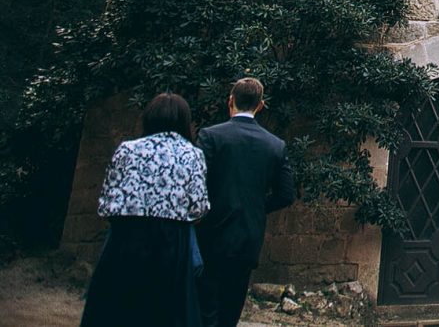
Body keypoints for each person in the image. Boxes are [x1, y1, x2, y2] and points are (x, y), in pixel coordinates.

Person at [80, 92, 210, 327]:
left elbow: (107, 202)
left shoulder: (127, 149)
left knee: (119, 309)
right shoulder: (193, 154)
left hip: (126, 238)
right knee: (165, 313)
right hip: (171, 242)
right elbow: (198, 207)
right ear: (184, 120)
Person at [195, 77, 295, 327]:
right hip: (247, 237)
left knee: (204, 307)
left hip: (209, 233)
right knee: (231, 308)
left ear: (230, 100)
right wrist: (258, 207)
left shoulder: (210, 136)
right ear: (260, 105)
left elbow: (195, 183)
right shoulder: (275, 145)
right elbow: (286, 194)